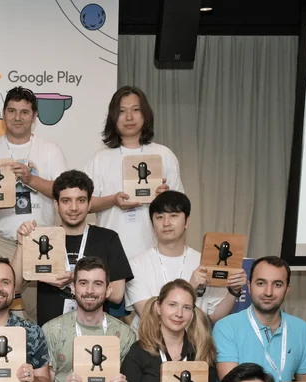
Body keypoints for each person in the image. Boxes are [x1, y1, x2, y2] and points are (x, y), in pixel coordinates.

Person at [0, 87, 67, 320]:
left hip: (40, 242)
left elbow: (63, 193)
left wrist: (30, 179)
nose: (17, 117)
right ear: (3, 114)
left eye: (24, 112)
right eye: (12, 111)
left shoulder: (50, 150)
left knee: (41, 314)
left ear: (34, 116)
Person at [41, 257, 137, 382]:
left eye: (98, 284)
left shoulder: (125, 334)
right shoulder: (52, 330)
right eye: (83, 283)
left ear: (109, 290)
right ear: (73, 288)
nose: (90, 291)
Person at [12, 170, 133, 325]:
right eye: (66, 201)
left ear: (89, 204)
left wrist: (76, 280)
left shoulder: (108, 238)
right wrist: (23, 243)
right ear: (56, 204)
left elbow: (116, 294)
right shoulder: (42, 237)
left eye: (81, 200)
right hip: (52, 333)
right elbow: (14, 285)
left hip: (96, 332)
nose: (74, 207)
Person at [84, 86, 183, 260]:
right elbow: (84, 204)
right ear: (113, 117)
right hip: (110, 254)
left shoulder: (163, 155)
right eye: (122, 111)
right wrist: (113, 200)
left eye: (136, 110)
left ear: (145, 114)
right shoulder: (100, 159)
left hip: (154, 252)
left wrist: (166, 197)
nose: (129, 117)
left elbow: (182, 207)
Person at [125, 191, 243, 326]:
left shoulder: (205, 262)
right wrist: (190, 288)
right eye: (159, 217)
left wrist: (234, 291)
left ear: (187, 221)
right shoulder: (136, 265)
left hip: (193, 343)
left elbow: (216, 315)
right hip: (150, 344)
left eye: (173, 216)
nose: (166, 223)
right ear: (152, 223)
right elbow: (147, 315)